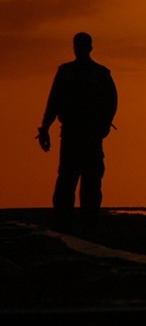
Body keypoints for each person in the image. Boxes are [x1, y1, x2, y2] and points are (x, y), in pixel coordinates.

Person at [36, 32, 118, 234]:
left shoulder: (98, 74)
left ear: (87, 48)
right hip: (76, 135)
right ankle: (69, 226)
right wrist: (45, 128)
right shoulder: (70, 73)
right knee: (70, 182)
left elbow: (111, 103)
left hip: (86, 136)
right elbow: (53, 103)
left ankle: (84, 226)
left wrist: (103, 125)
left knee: (84, 183)